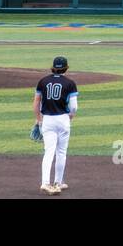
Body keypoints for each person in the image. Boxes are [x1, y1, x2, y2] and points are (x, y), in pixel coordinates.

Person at [33, 56, 78, 195]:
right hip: (63, 119)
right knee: (61, 151)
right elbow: (74, 107)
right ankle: (58, 182)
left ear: (53, 67)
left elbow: (36, 103)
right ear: (66, 68)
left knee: (49, 151)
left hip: (47, 120)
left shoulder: (43, 81)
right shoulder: (70, 83)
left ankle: (45, 183)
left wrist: (38, 119)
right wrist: (70, 117)